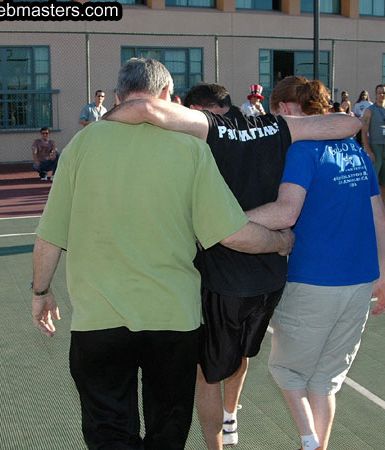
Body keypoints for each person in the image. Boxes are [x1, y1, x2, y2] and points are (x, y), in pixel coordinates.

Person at [31, 58, 295, 450]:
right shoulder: (191, 148)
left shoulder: (80, 146)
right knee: (167, 431)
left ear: (119, 97)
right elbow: (234, 234)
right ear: (170, 99)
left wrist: (41, 293)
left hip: (98, 322)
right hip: (173, 321)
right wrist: (280, 242)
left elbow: (49, 237)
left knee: (109, 433)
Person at [104, 79, 362, 450]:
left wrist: (98, 129)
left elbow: (145, 108)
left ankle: (216, 445)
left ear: (198, 111)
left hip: (222, 277)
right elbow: (349, 123)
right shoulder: (274, 125)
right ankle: (231, 412)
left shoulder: (208, 128)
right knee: (239, 352)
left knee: (207, 372)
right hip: (270, 277)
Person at [246, 79, 385, 450]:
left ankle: (310, 442)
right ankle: (317, 446)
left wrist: (222, 220)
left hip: (312, 281)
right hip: (359, 281)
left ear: (288, 109)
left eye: (275, 113)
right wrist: (384, 278)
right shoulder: (355, 152)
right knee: (325, 380)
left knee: (287, 370)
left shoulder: (301, 150)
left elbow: (285, 211)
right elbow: (381, 220)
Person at [361, 84, 385, 215]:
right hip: (374, 147)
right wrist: (369, 151)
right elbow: (364, 132)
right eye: (379, 92)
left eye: (384, 93)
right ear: (375, 94)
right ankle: (369, 209)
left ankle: (382, 209)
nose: (382, 95)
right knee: (373, 179)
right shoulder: (370, 110)